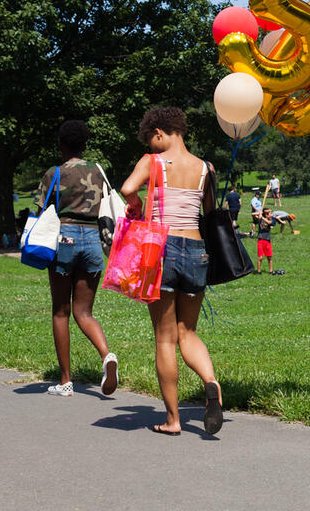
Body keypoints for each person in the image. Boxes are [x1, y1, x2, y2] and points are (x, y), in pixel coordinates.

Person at [119, 107, 222, 437]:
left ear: (159, 132)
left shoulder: (152, 161)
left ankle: (173, 420)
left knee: (164, 338)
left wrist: (136, 204)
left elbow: (126, 189)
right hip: (196, 250)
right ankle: (212, 384)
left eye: (150, 137)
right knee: (187, 333)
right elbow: (208, 212)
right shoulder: (206, 167)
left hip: (161, 251)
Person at [34, 119, 118, 399]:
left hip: (64, 238)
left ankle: (65, 381)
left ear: (61, 145)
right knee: (84, 312)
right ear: (84, 144)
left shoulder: (54, 173)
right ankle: (107, 355)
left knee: (61, 311)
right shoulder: (98, 171)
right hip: (93, 240)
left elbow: (39, 209)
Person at [254, 208, 275, 272]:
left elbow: (269, 223)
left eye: (270, 213)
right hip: (260, 240)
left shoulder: (273, 219)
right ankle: (259, 271)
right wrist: (259, 213)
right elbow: (253, 214)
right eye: (269, 213)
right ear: (265, 214)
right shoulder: (260, 218)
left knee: (269, 257)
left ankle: (271, 271)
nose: (270, 214)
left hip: (267, 240)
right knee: (260, 257)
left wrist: (262, 217)